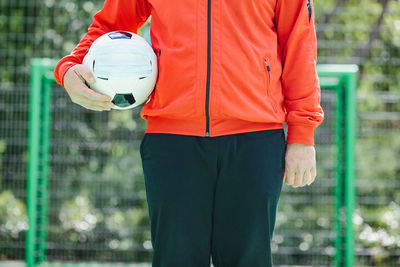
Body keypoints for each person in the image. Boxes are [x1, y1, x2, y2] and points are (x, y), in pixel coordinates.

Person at [54, 0, 324, 266]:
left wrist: (302, 133)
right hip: (171, 139)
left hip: (255, 137)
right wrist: (70, 68)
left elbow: (299, 42)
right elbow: (110, 26)